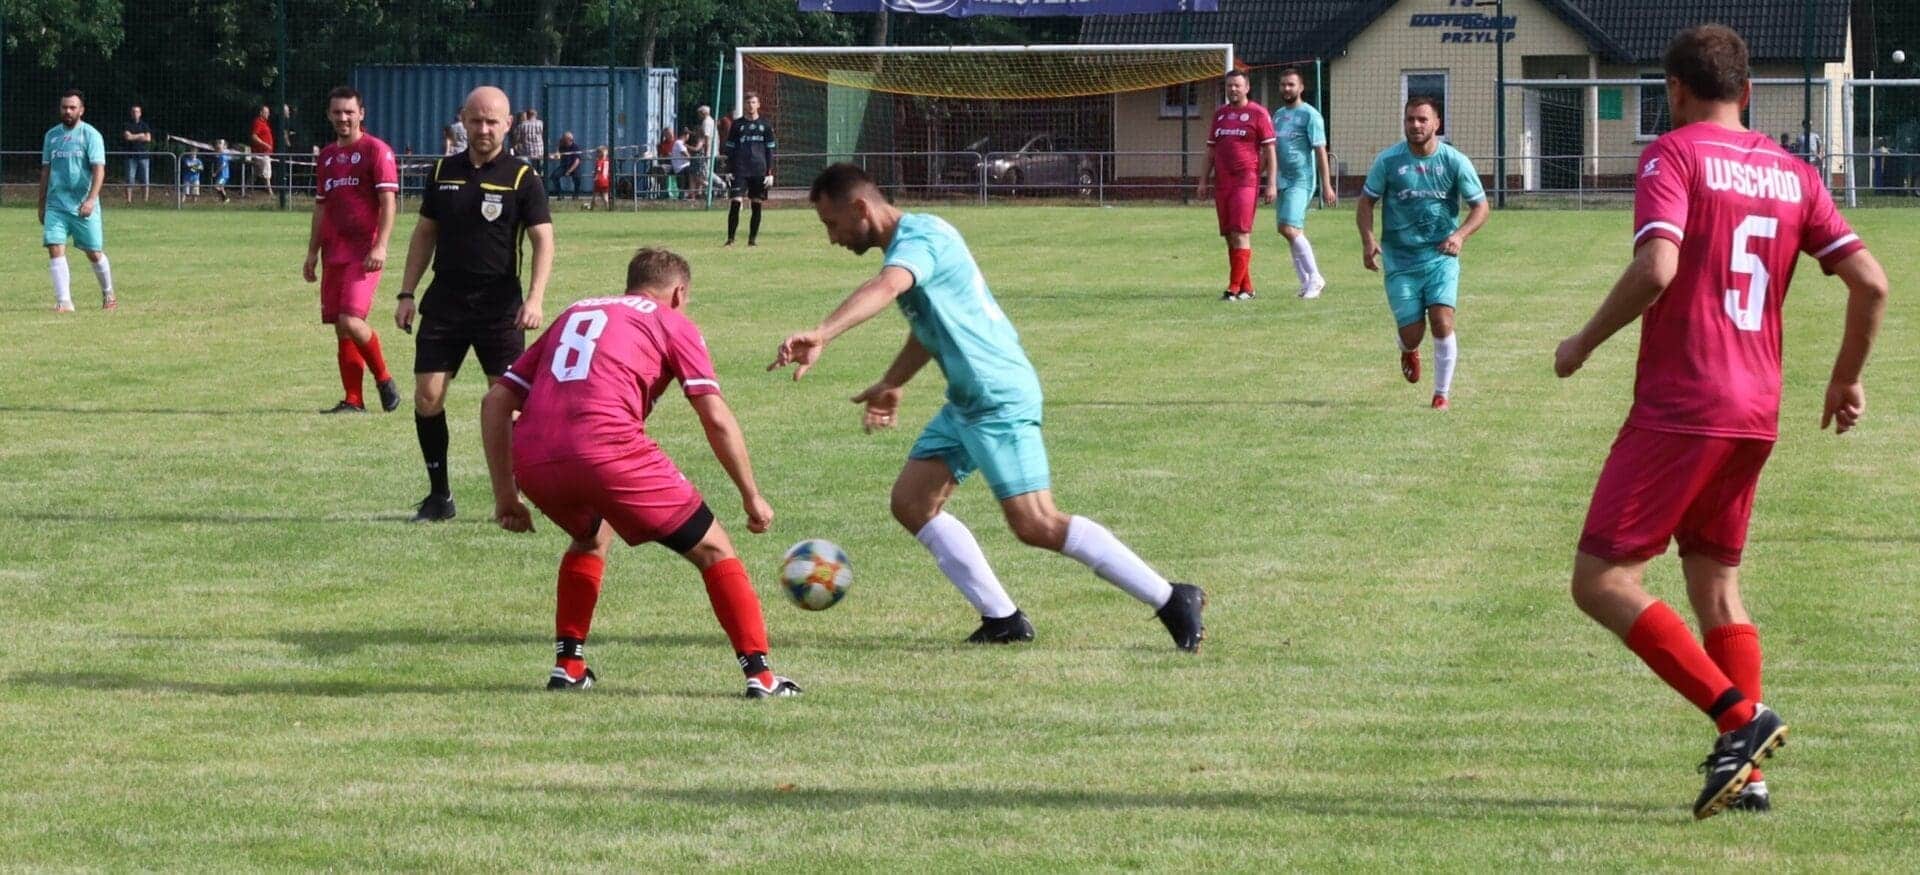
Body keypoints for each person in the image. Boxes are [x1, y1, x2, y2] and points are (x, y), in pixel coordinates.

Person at [1552, 24, 1887, 820]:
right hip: (1754, 411)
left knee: (1601, 581)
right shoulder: (1795, 173)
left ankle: (1743, 719)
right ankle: (1751, 776)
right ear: (1748, 91)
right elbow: (1870, 283)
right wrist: (1844, 379)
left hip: (1684, 405)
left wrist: (1582, 343)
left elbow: (1658, 265)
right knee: (1718, 587)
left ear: (1673, 89)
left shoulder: (1671, 156)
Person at [769, 163, 1207, 651]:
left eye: (831, 224)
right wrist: (893, 382)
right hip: (966, 400)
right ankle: (1002, 619)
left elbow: (888, 287)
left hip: (997, 396)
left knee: (1037, 522)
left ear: (860, 208)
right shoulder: (913, 240)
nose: (832, 238)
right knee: (912, 503)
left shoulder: (918, 243)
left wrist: (824, 332)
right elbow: (929, 327)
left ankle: (1171, 598)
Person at [481, 248, 800, 698]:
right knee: (714, 549)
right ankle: (762, 677)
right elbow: (716, 417)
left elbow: (496, 401)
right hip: (607, 449)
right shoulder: (671, 320)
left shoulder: (577, 309)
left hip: (535, 455)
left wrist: (505, 496)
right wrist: (752, 496)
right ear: (679, 292)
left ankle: (569, 665)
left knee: (591, 535)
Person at [395, 85, 554, 523]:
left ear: (509, 125)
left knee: (507, 404)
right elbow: (424, 233)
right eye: (476, 120)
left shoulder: (523, 177)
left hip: (500, 308)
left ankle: (513, 495)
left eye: (492, 121)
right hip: (444, 303)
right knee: (427, 398)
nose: (483, 129)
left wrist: (536, 298)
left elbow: (543, 240)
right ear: (462, 120)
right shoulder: (442, 171)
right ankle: (439, 496)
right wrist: (407, 292)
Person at [1355, 96, 1489, 410]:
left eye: (1422, 120)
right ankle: (1408, 349)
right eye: (1410, 119)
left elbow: (1481, 207)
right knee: (1412, 333)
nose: (1415, 125)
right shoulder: (1388, 162)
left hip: (1441, 256)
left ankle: (1441, 394)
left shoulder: (1455, 161)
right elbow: (1365, 202)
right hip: (1400, 259)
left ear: (1437, 124)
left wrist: (1459, 235)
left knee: (1442, 321)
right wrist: (1368, 240)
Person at [303, 85, 402, 415]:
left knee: (352, 319)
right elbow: (321, 208)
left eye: (349, 111)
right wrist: (312, 253)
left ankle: (384, 379)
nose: (343, 117)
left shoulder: (376, 150)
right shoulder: (327, 156)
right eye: (337, 112)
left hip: (364, 253)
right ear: (329, 115)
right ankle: (353, 400)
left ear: (362, 113)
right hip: (334, 252)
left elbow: (388, 202)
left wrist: (381, 246)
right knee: (341, 326)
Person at [1194, 70, 1275, 301]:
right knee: (1230, 235)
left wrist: (1270, 183)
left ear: (1247, 87)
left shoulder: (1258, 114)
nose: (1233, 90)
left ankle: (1232, 288)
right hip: (1223, 183)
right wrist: (1202, 181)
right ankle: (1246, 288)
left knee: (1241, 232)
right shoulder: (1220, 115)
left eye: (1237, 85)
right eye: (1229, 86)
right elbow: (1210, 150)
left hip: (1246, 182)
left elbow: (1270, 150)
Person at [39, 90, 115, 312]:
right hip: (56, 204)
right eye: (64, 107)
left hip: (83, 205)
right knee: (54, 247)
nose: (68, 111)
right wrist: (41, 203)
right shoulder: (51, 136)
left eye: (72, 107)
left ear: (81, 110)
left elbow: (99, 170)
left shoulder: (91, 135)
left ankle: (108, 293)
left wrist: (91, 200)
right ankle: (64, 302)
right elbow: (46, 171)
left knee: (93, 252)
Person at [1271, 67, 1337, 298]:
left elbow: (1320, 151)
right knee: (1289, 230)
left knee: (1288, 228)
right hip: (1282, 180)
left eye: (1291, 84)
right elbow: (1271, 150)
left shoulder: (1310, 115)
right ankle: (1305, 282)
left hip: (1301, 180)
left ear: (1300, 87)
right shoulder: (1278, 115)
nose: (1286, 88)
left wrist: (1326, 185)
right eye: (1283, 85)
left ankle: (1315, 278)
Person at [721, 93, 776, 246]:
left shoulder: (765, 125)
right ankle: (730, 239)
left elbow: (770, 151)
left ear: (758, 105)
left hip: (759, 170)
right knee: (736, 202)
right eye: (748, 102)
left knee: (756, 204)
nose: (751, 105)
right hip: (740, 170)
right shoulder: (737, 125)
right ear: (744, 105)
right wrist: (728, 170)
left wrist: (769, 173)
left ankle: (752, 240)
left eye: (753, 102)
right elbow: (730, 149)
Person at [122, 104, 153, 204]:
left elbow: (148, 138)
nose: (135, 113)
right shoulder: (127, 125)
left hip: (144, 156)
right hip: (130, 156)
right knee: (130, 179)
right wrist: (140, 135)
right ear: (131, 113)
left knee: (145, 179)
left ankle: (145, 201)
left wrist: (133, 136)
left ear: (140, 113)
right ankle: (128, 201)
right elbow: (127, 137)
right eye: (133, 111)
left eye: (137, 111)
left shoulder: (145, 125)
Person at [249, 104, 275, 193]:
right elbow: (254, 136)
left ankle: (245, 189)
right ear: (261, 113)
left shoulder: (265, 123)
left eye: (268, 112)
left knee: (255, 173)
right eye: (266, 112)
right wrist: (265, 145)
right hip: (261, 153)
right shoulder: (258, 122)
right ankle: (270, 192)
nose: (268, 114)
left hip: (265, 153)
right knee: (267, 172)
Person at [549, 132, 582, 200]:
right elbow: (558, 156)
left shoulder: (575, 147)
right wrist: (553, 155)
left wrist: (569, 171)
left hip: (573, 167)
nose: (562, 140)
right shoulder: (562, 146)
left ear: (569, 140)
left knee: (577, 177)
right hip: (564, 166)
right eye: (562, 139)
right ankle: (560, 194)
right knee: (554, 176)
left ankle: (576, 195)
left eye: (564, 139)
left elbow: (577, 161)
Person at [590, 145, 611, 210]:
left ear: (599, 153)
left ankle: (592, 208)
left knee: (594, 195)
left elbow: (599, 169)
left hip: (599, 180)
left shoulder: (599, 161)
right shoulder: (607, 161)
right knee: (605, 195)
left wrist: (596, 176)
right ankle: (607, 208)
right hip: (606, 180)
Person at [211, 138, 233, 203]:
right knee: (221, 187)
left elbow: (223, 165)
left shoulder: (223, 155)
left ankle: (226, 199)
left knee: (216, 186)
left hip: (223, 175)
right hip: (222, 175)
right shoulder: (221, 155)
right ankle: (224, 200)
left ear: (225, 146)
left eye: (220, 143)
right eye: (218, 143)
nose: (218, 144)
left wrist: (215, 173)